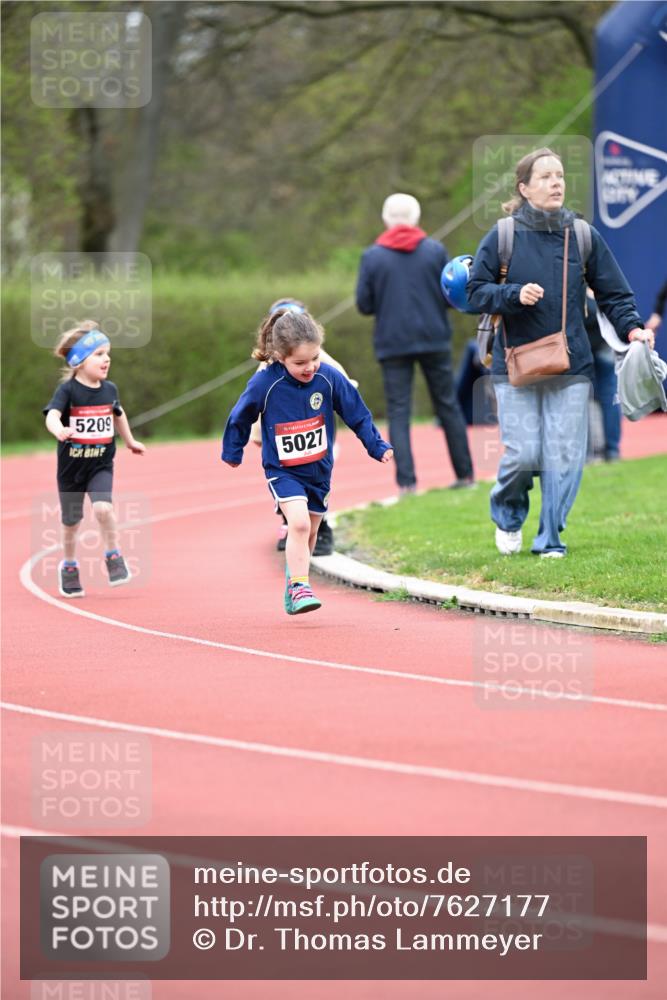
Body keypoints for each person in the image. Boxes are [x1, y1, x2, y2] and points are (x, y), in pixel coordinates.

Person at [467, 147, 651, 557]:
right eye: (546, 176)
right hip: (515, 365)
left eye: (561, 176)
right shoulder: (503, 235)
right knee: (525, 452)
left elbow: (614, 293)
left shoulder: (582, 234)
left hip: (571, 364)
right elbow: (475, 291)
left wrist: (634, 329)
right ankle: (508, 513)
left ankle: (549, 538)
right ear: (524, 188)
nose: (556, 183)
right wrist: (514, 294)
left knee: (565, 456)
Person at [222, 306, 393, 615]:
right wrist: (233, 450)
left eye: (315, 358)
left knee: (311, 531)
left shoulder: (328, 377)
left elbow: (357, 413)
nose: (310, 367)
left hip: (319, 469)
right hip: (282, 470)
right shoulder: (265, 383)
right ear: (279, 357)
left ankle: (294, 581)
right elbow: (241, 414)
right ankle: (302, 587)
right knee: (298, 524)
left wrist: (377, 445)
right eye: (300, 363)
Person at [355, 192, 474, 494]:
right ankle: (466, 475)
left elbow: (364, 305)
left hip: (392, 342)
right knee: (448, 405)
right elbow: (453, 295)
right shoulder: (435, 251)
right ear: (416, 218)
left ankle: (407, 483)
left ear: (386, 220)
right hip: (434, 338)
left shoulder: (372, 256)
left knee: (398, 411)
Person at [249, 298, 358, 557]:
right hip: (283, 440)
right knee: (287, 483)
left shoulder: (323, 361)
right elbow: (254, 400)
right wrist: (256, 434)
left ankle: (323, 528)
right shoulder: (268, 368)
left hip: (317, 434)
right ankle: (289, 522)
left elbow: (343, 384)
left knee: (317, 482)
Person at [44, 321, 145, 597]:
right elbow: (52, 414)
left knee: (103, 509)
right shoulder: (68, 391)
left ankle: (113, 555)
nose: (107, 359)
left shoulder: (109, 389)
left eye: (107, 353)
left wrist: (130, 441)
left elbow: (118, 413)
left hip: (100, 463)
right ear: (79, 360)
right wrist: (59, 429)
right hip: (71, 468)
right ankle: (69, 565)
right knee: (71, 520)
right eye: (99, 353)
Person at [583, 289, 621, 462]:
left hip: (587, 347)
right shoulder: (601, 282)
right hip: (599, 345)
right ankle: (610, 451)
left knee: (587, 400)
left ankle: (594, 453)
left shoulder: (572, 278)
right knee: (607, 398)